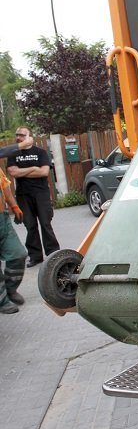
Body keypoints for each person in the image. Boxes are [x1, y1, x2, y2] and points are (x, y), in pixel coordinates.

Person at [7, 127, 60, 267]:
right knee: (30, 225)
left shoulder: (40, 153)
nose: (18, 137)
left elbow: (43, 172)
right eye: (17, 135)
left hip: (41, 193)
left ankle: (53, 254)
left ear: (30, 137)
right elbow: (13, 172)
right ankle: (35, 256)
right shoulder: (13, 154)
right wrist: (33, 169)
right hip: (23, 195)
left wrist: (22, 171)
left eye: (22, 135)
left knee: (45, 223)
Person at [0, 167, 27, 314]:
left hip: (2, 219)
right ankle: (2, 301)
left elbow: (5, 190)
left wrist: (14, 206)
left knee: (18, 254)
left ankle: (10, 290)